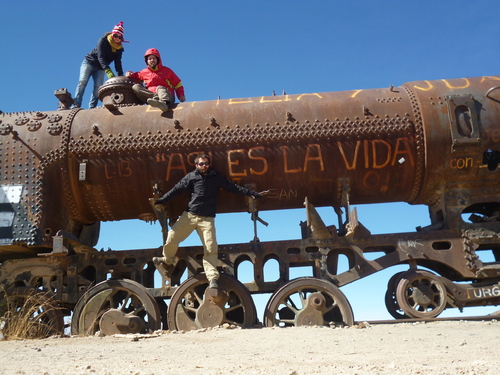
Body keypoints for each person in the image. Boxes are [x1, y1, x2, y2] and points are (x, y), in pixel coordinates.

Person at [153, 154, 261, 288]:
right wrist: (163, 199)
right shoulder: (191, 177)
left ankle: (212, 279)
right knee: (172, 236)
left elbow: (232, 187)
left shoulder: (215, 177)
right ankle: (167, 259)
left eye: (206, 163)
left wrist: (250, 193)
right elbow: (177, 189)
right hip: (190, 216)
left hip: (207, 219)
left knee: (210, 248)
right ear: (196, 165)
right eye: (201, 164)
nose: (204, 166)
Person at [73, 21, 127, 109]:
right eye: (115, 35)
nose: (117, 38)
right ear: (112, 34)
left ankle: (92, 107)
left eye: (119, 37)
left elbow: (118, 64)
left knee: (98, 87)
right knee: (83, 81)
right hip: (89, 62)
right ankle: (76, 103)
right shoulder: (103, 40)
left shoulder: (119, 49)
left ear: (122, 38)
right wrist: (108, 70)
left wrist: (120, 77)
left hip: (100, 68)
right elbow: (100, 57)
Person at [126, 48, 185, 112]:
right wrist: (129, 73)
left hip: (167, 96)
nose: (152, 60)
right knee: (136, 87)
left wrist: (181, 95)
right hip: (151, 98)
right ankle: (156, 99)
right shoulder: (144, 72)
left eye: (154, 58)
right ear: (146, 61)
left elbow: (178, 83)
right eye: (149, 59)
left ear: (158, 59)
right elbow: (135, 75)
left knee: (160, 88)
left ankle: (163, 103)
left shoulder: (167, 71)